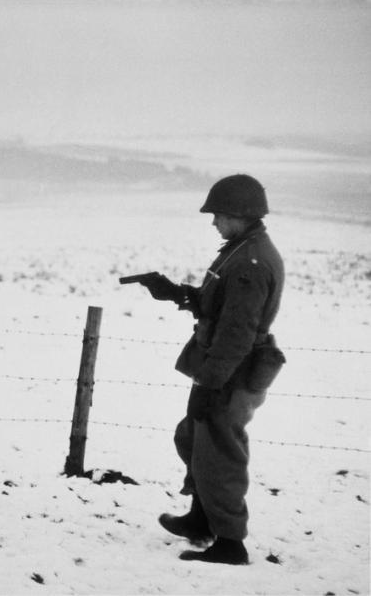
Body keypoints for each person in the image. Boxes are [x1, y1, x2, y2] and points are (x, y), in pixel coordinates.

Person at [128, 174, 285, 565]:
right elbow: (221, 306)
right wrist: (177, 293)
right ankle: (201, 519)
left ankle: (231, 543)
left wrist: (211, 384)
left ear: (239, 214)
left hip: (232, 372)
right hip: (223, 368)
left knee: (218, 454)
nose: (213, 221)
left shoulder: (250, 262)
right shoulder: (241, 249)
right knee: (193, 440)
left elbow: (237, 332)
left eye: (218, 214)